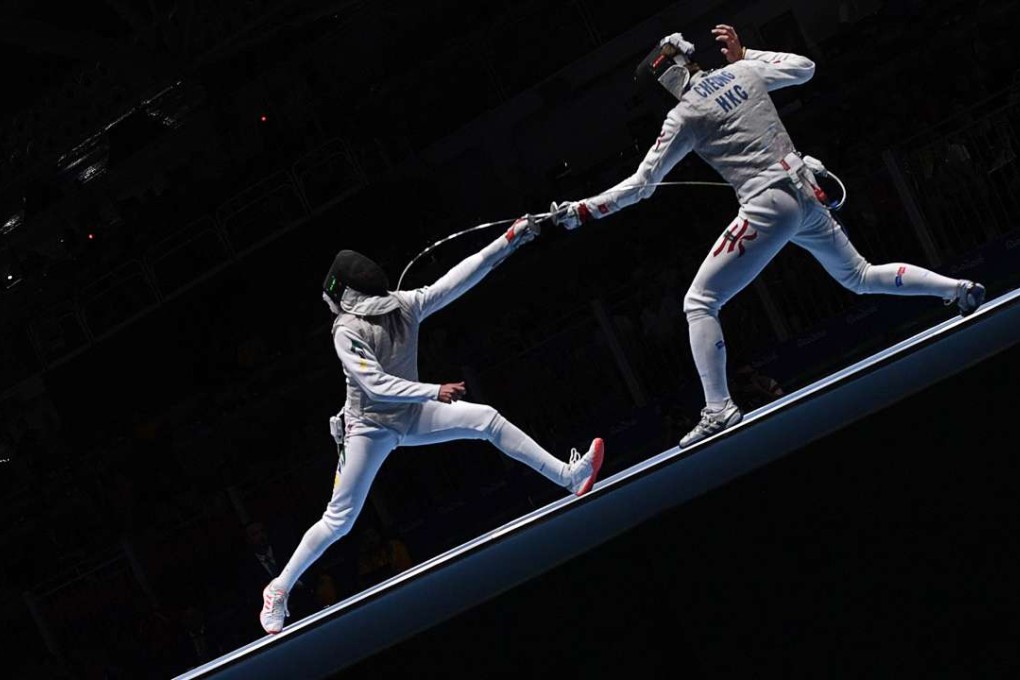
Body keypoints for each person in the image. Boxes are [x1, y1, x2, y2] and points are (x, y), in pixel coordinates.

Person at [548, 25, 985, 448]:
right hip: (806, 191)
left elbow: (641, 186)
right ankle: (958, 289)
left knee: (699, 302)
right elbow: (805, 66)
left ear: (667, 76)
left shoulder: (684, 115)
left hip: (767, 205)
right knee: (859, 275)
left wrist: (580, 210)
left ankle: (718, 408)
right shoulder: (742, 71)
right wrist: (747, 55)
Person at [259, 215, 605, 634]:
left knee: (486, 419)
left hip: (412, 414)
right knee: (340, 521)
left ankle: (569, 477)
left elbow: (457, 279)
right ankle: (278, 589)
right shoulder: (346, 330)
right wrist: (431, 390)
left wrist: (509, 241)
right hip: (368, 428)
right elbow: (375, 384)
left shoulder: (405, 305)